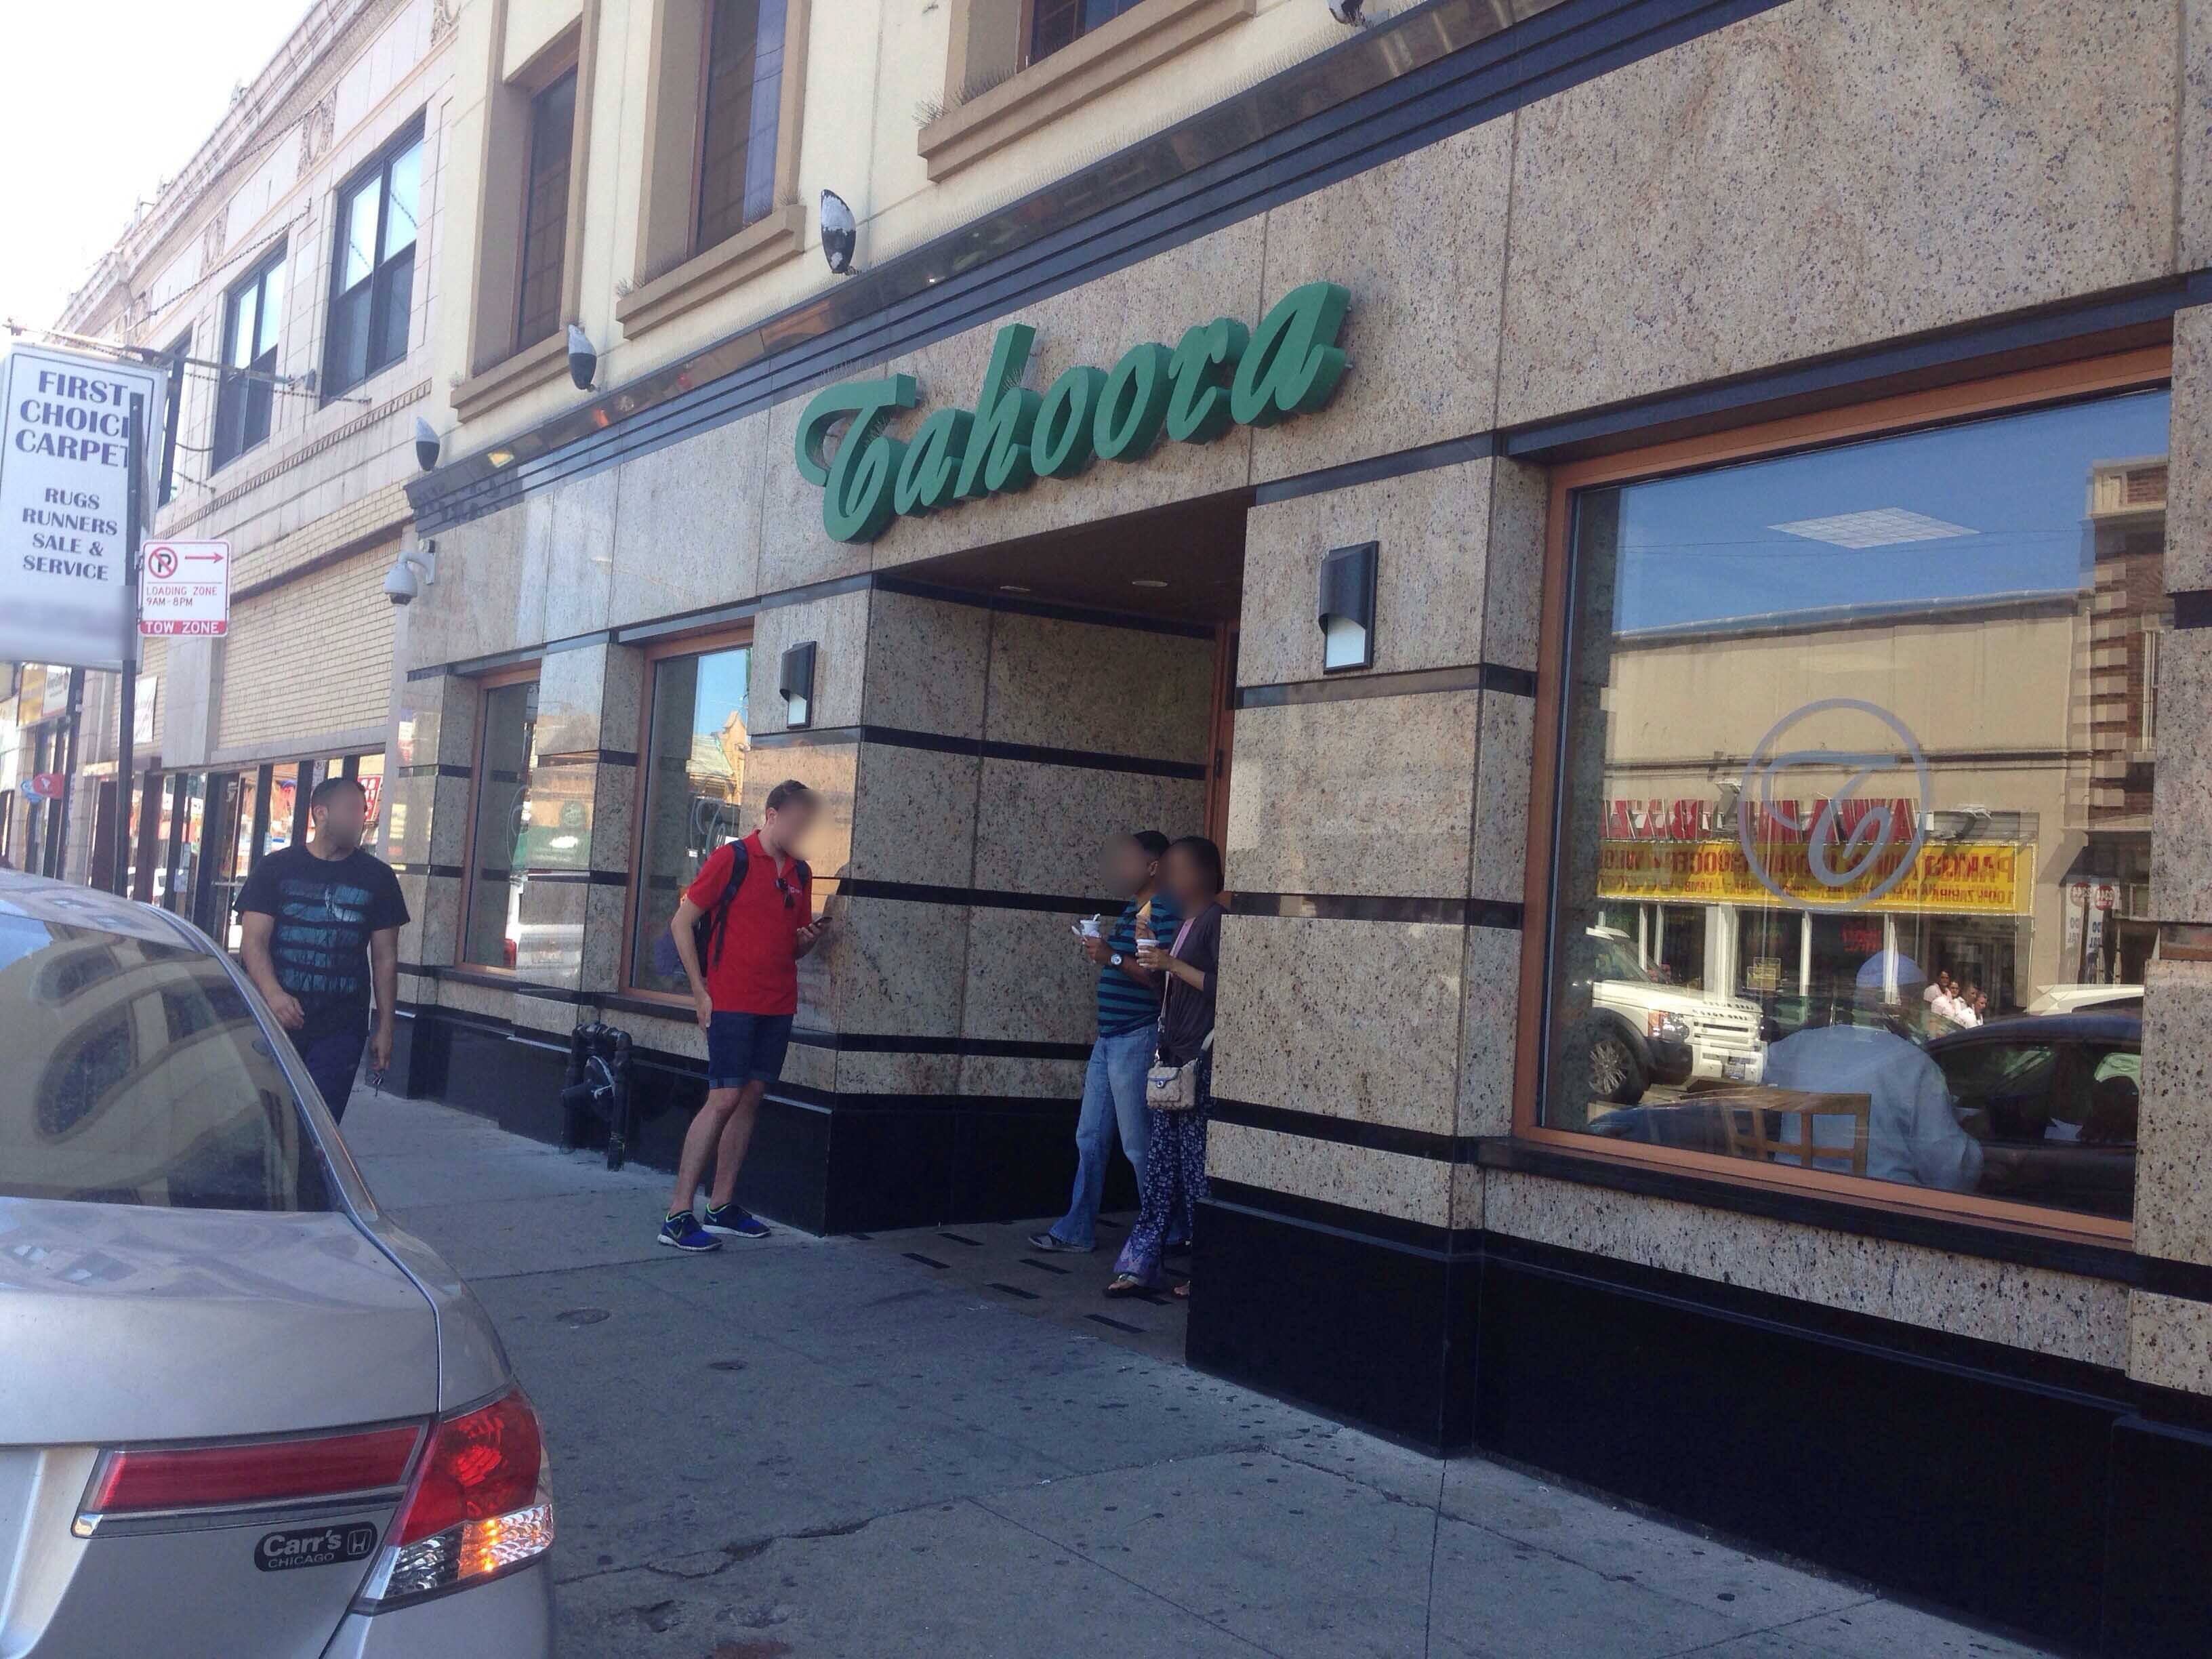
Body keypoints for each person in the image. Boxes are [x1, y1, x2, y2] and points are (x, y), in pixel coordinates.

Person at [657, 780, 832, 1252]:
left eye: (805, 824)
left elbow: (791, 945)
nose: (799, 830)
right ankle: (677, 1214)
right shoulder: (731, 859)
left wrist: (811, 937)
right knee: (724, 1097)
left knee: (750, 1097)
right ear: (771, 815)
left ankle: (721, 1205)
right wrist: (699, 991)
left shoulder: (801, 872)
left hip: (777, 1002)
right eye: (794, 821)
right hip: (730, 1000)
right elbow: (681, 922)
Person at [1028, 832, 1180, 1254]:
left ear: (1152, 867)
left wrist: (1109, 955)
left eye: (1129, 861)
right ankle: (1077, 1228)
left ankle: (1162, 1232)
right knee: (1090, 1136)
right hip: (1109, 1038)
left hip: (1135, 1036)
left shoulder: (1162, 909)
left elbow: (1156, 974)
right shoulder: (1134, 906)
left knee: (1137, 1143)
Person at [237, 775, 409, 1122]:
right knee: (270, 1123)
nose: (361, 818)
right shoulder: (275, 869)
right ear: (321, 813)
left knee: (318, 1126)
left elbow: (386, 959)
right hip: (274, 1022)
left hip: (341, 1028)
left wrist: (386, 1027)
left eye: (363, 810)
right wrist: (273, 995)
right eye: (351, 810)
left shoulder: (378, 878)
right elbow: (253, 943)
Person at [1107, 836, 1225, 1297]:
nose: (1168, 880)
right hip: (1171, 1059)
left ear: (1199, 874)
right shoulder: (1183, 923)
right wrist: (1155, 965)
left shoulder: (1216, 920)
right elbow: (1172, 988)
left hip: (1198, 1063)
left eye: (1176, 870)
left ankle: (1205, 1270)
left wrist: (1171, 962)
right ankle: (1141, 1265)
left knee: (1196, 1171)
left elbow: (1223, 986)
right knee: (1160, 1168)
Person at [1759, 950, 1982, 1192]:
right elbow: (1950, 1172)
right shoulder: (1915, 1065)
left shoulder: (1799, 1046)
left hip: (1789, 1194)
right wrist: (1978, 1146)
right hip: (1880, 1207)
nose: (1921, 1008)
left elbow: (1745, 1083)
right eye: (1918, 999)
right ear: (1901, 1002)